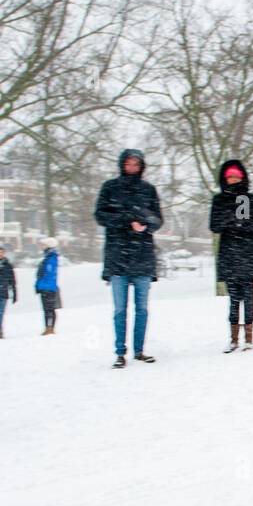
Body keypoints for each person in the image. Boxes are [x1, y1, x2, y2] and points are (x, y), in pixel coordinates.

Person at [95, 148, 163, 367]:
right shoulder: (110, 188)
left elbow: (158, 219)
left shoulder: (148, 190)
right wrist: (127, 220)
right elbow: (101, 215)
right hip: (118, 258)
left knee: (142, 309)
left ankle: (140, 350)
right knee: (120, 310)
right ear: (122, 165)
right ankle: (120, 352)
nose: (132, 168)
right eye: (129, 164)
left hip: (143, 257)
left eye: (136, 164)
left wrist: (145, 223)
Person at [209, 159, 253, 352]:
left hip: (248, 253)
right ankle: (233, 338)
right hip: (229, 255)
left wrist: (245, 224)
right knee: (233, 299)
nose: (233, 180)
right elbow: (214, 226)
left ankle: (249, 337)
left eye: (236, 176)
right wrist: (230, 220)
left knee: (249, 298)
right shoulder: (219, 200)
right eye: (230, 177)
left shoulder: (249, 199)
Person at [34, 236, 60, 334]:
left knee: (50, 308)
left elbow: (48, 272)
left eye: (43, 245)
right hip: (44, 286)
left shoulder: (51, 257)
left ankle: (50, 327)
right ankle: (47, 327)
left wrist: (40, 283)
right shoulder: (48, 256)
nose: (42, 247)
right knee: (46, 309)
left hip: (48, 287)